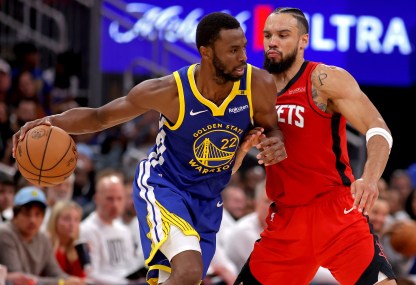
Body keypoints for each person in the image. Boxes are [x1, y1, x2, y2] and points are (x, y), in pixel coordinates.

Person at [13, 11, 286, 285]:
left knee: (183, 279)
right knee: (189, 271)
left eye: (244, 48)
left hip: (208, 197)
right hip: (165, 186)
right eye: (233, 50)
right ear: (206, 52)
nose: (243, 57)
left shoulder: (257, 84)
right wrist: (50, 120)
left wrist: (275, 141)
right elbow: (100, 117)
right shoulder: (170, 91)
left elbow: (272, 128)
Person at [234, 7, 396, 285]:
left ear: (303, 41)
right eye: (268, 35)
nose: (273, 41)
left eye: (283, 35)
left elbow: (378, 129)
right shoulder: (253, 90)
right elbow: (232, 158)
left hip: (336, 213)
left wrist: (370, 179)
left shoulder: (324, 80)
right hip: (286, 219)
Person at [0, 186, 84, 285]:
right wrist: (62, 282)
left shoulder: (43, 238)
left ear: (43, 217)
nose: (32, 220)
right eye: (27, 214)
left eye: (38, 214)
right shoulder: (5, 233)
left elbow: (55, 272)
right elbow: (19, 279)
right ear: (15, 215)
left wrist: (74, 281)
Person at [79, 169, 145, 285]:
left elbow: (130, 266)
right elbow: (90, 275)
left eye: (119, 199)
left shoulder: (124, 230)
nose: (115, 205)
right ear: (97, 199)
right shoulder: (86, 229)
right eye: (110, 199)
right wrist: (126, 283)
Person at [46, 200, 86, 278]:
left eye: (76, 220)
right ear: (55, 221)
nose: (72, 224)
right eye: (67, 219)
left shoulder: (77, 249)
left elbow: (81, 278)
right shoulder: (46, 245)